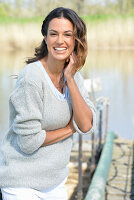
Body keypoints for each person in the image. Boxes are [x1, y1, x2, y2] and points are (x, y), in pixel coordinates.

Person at [0, 7, 96, 200]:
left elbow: (86, 124)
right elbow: (28, 142)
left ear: (76, 39)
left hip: (55, 182)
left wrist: (69, 77)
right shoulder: (32, 78)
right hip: (21, 183)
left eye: (67, 34)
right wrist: (70, 129)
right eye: (53, 34)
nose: (60, 41)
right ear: (45, 38)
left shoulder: (73, 75)